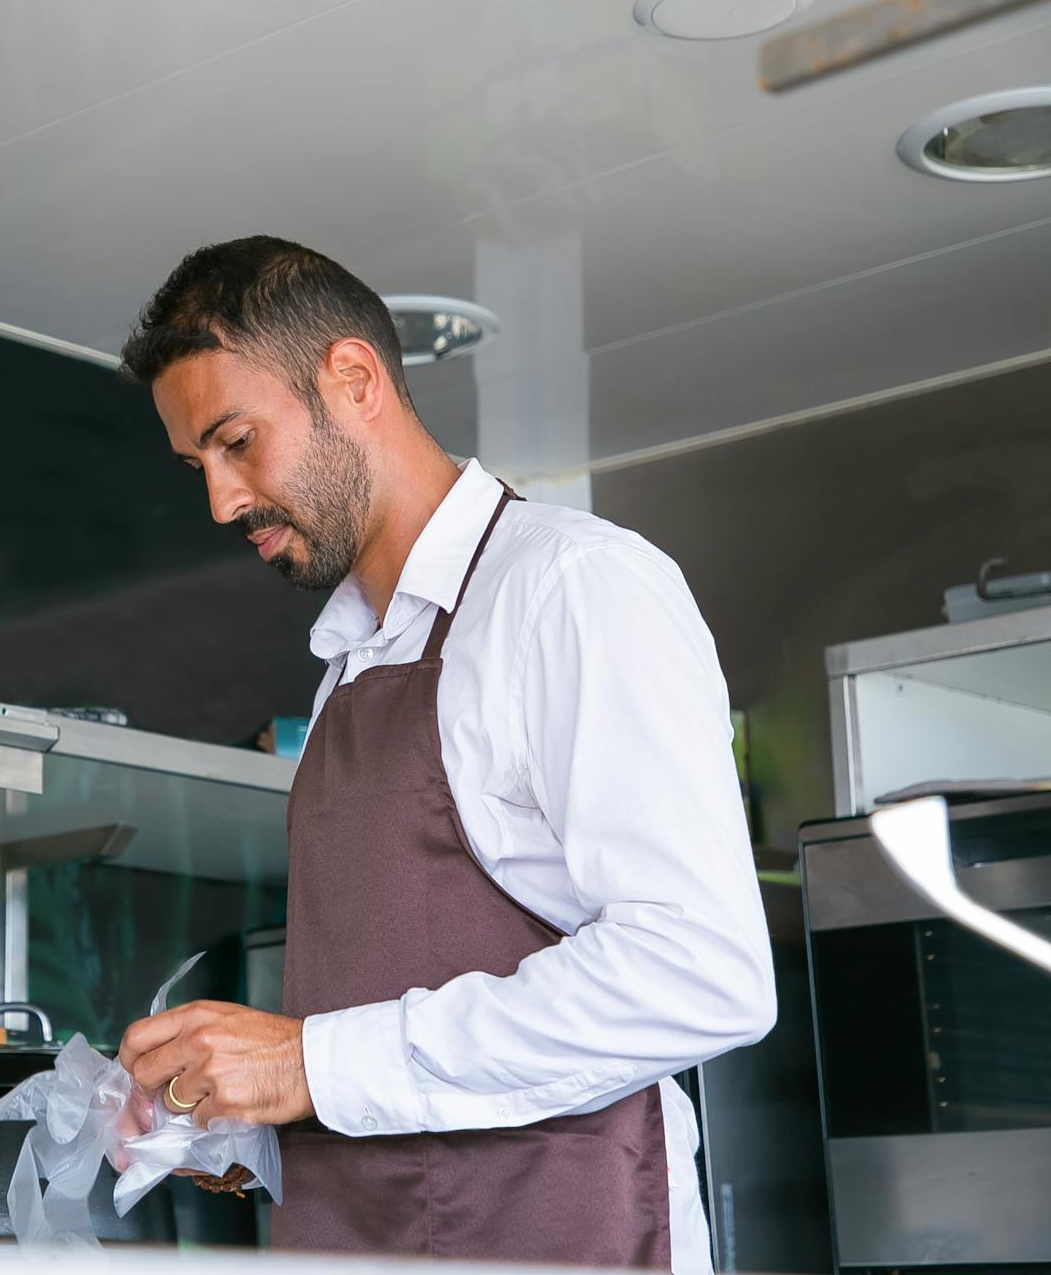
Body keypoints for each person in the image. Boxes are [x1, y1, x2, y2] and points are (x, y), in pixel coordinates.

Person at [114, 236, 775, 1271]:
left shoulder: (570, 588)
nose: (221, 499)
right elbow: (384, 1053)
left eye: (237, 441)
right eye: (199, 462)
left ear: (354, 378)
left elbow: (701, 971)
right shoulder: (351, 665)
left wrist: (308, 1061)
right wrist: (244, 1119)